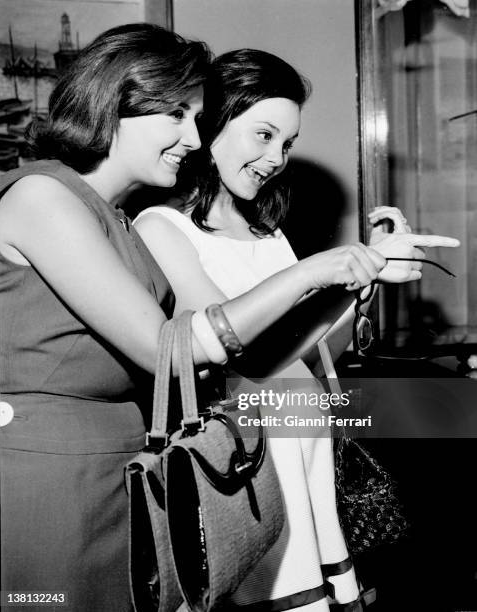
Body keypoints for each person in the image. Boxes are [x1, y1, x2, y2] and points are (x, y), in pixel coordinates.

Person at [133, 49, 459, 611]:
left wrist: (361, 284)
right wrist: (337, 268)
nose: (275, 158)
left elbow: (310, 358)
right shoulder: (161, 227)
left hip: (307, 456)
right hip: (249, 480)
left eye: (285, 144)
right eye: (262, 135)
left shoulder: (269, 233)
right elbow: (241, 355)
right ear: (212, 121)